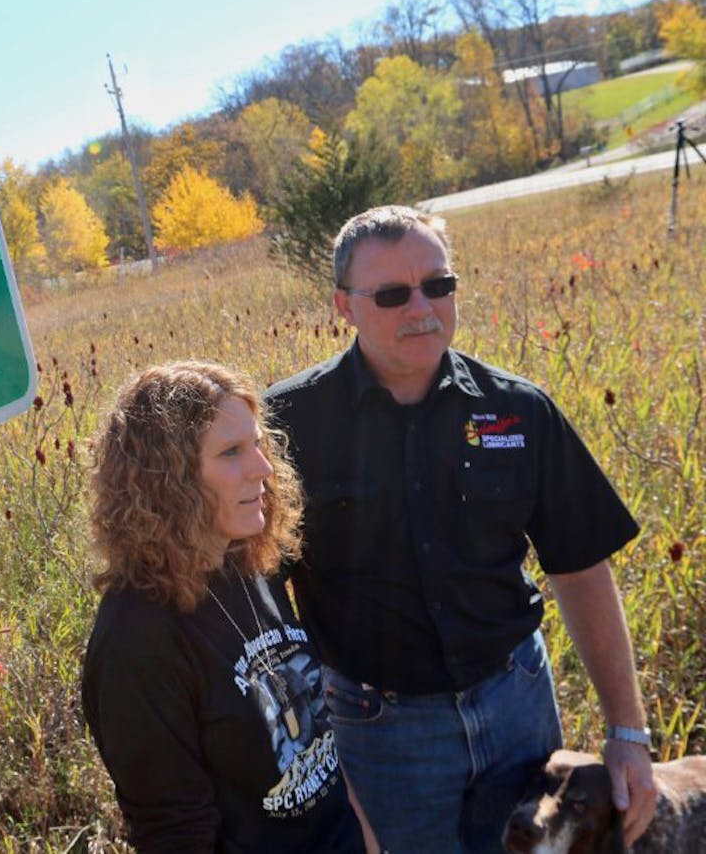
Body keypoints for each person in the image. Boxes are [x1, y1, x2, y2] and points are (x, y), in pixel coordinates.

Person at [265, 205, 657, 853]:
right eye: (392, 294)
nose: (422, 308)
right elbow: (268, 620)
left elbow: (581, 566)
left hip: (517, 711)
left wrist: (628, 731)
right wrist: (335, 787)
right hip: (380, 733)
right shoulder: (288, 427)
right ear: (344, 306)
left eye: (439, 285)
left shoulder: (516, 409)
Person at [81, 361, 368, 853]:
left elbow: (326, 746)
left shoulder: (252, 558)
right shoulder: (137, 641)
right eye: (231, 452)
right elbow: (175, 834)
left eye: (257, 444)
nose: (262, 467)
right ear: (165, 480)